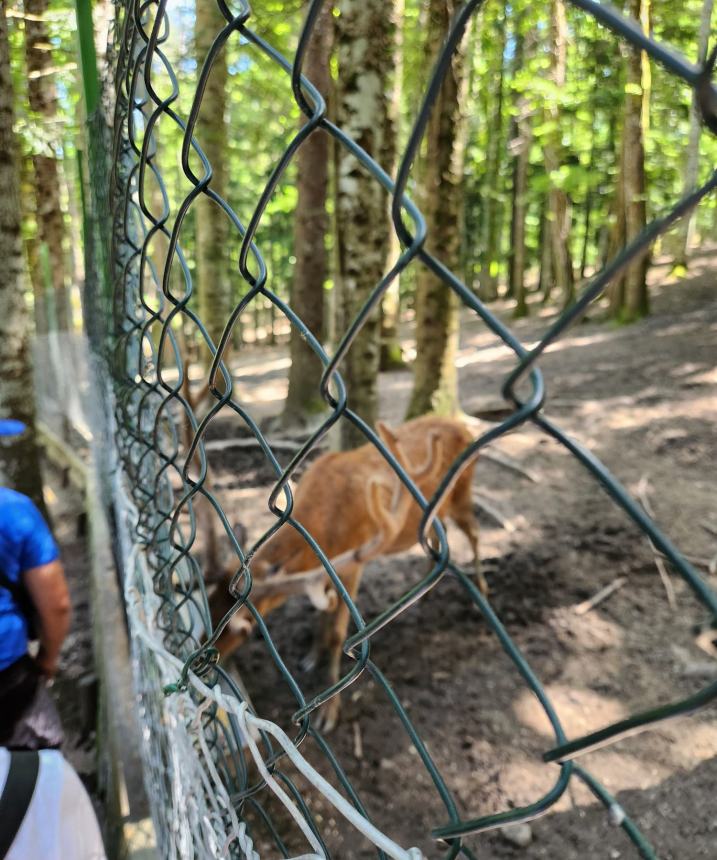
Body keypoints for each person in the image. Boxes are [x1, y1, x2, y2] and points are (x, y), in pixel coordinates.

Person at [0, 418, 70, 749]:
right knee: (38, 768)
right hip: (7, 679)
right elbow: (56, 604)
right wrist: (48, 658)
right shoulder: (14, 512)